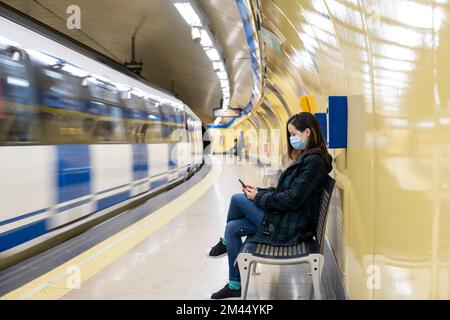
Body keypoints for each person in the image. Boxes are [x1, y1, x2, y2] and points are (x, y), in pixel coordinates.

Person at [206, 112, 333, 299]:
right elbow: (285, 192)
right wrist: (259, 190)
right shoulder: (308, 158)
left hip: (293, 227)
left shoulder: (314, 162)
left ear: (307, 132)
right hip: (289, 219)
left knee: (237, 199)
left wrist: (258, 197)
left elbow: (291, 199)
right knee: (232, 227)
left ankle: (225, 242)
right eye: (290, 135)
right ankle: (235, 284)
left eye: (294, 134)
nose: (291, 139)